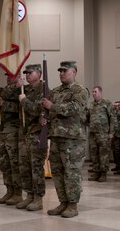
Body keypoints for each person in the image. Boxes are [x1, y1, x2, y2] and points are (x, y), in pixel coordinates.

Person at [42, 61, 88, 218]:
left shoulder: (80, 91)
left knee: (71, 173)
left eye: (65, 70)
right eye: (60, 70)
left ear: (74, 72)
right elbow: (48, 111)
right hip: (56, 137)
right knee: (57, 172)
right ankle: (63, 202)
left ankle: (73, 205)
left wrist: (52, 107)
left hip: (72, 139)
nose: (61, 73)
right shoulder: (55, 92)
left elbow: (74, 109)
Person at [17, 64, 46, 211]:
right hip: (25, 134)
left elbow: (36, 110)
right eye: (26, 73)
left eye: (30, 72)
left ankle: (38, 198)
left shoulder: (44, 90)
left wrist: (23, 100)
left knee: (36, 168)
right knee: (24, 167)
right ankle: (29, 195)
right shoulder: (25, 90)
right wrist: (19, 88)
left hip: (37, 134)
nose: (27, 75)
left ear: (39, 73)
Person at [0, 73, 23, 205]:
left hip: (14, 130)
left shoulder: (21, 89)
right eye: (6, 75)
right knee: (4, 164)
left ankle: (17, 193)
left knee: (14, 163)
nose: (7, 77)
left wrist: (3, 104)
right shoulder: (4, 89)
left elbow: (20, 108)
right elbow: (1, 94)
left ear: (18, 76)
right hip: (3, 130)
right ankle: (9, 190)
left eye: (11, 75)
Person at [87, 86, 116, 182]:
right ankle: (96, 172)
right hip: (93, 134)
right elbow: (88, 118)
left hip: (104, 134)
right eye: (92, 92)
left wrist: (111, 132)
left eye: (95, 91)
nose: (93, 93)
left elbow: (113, 118)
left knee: (103, 154)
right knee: (94, 154)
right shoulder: (91, 105)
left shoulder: (107, 103)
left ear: (100, 92)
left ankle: (103, 173)